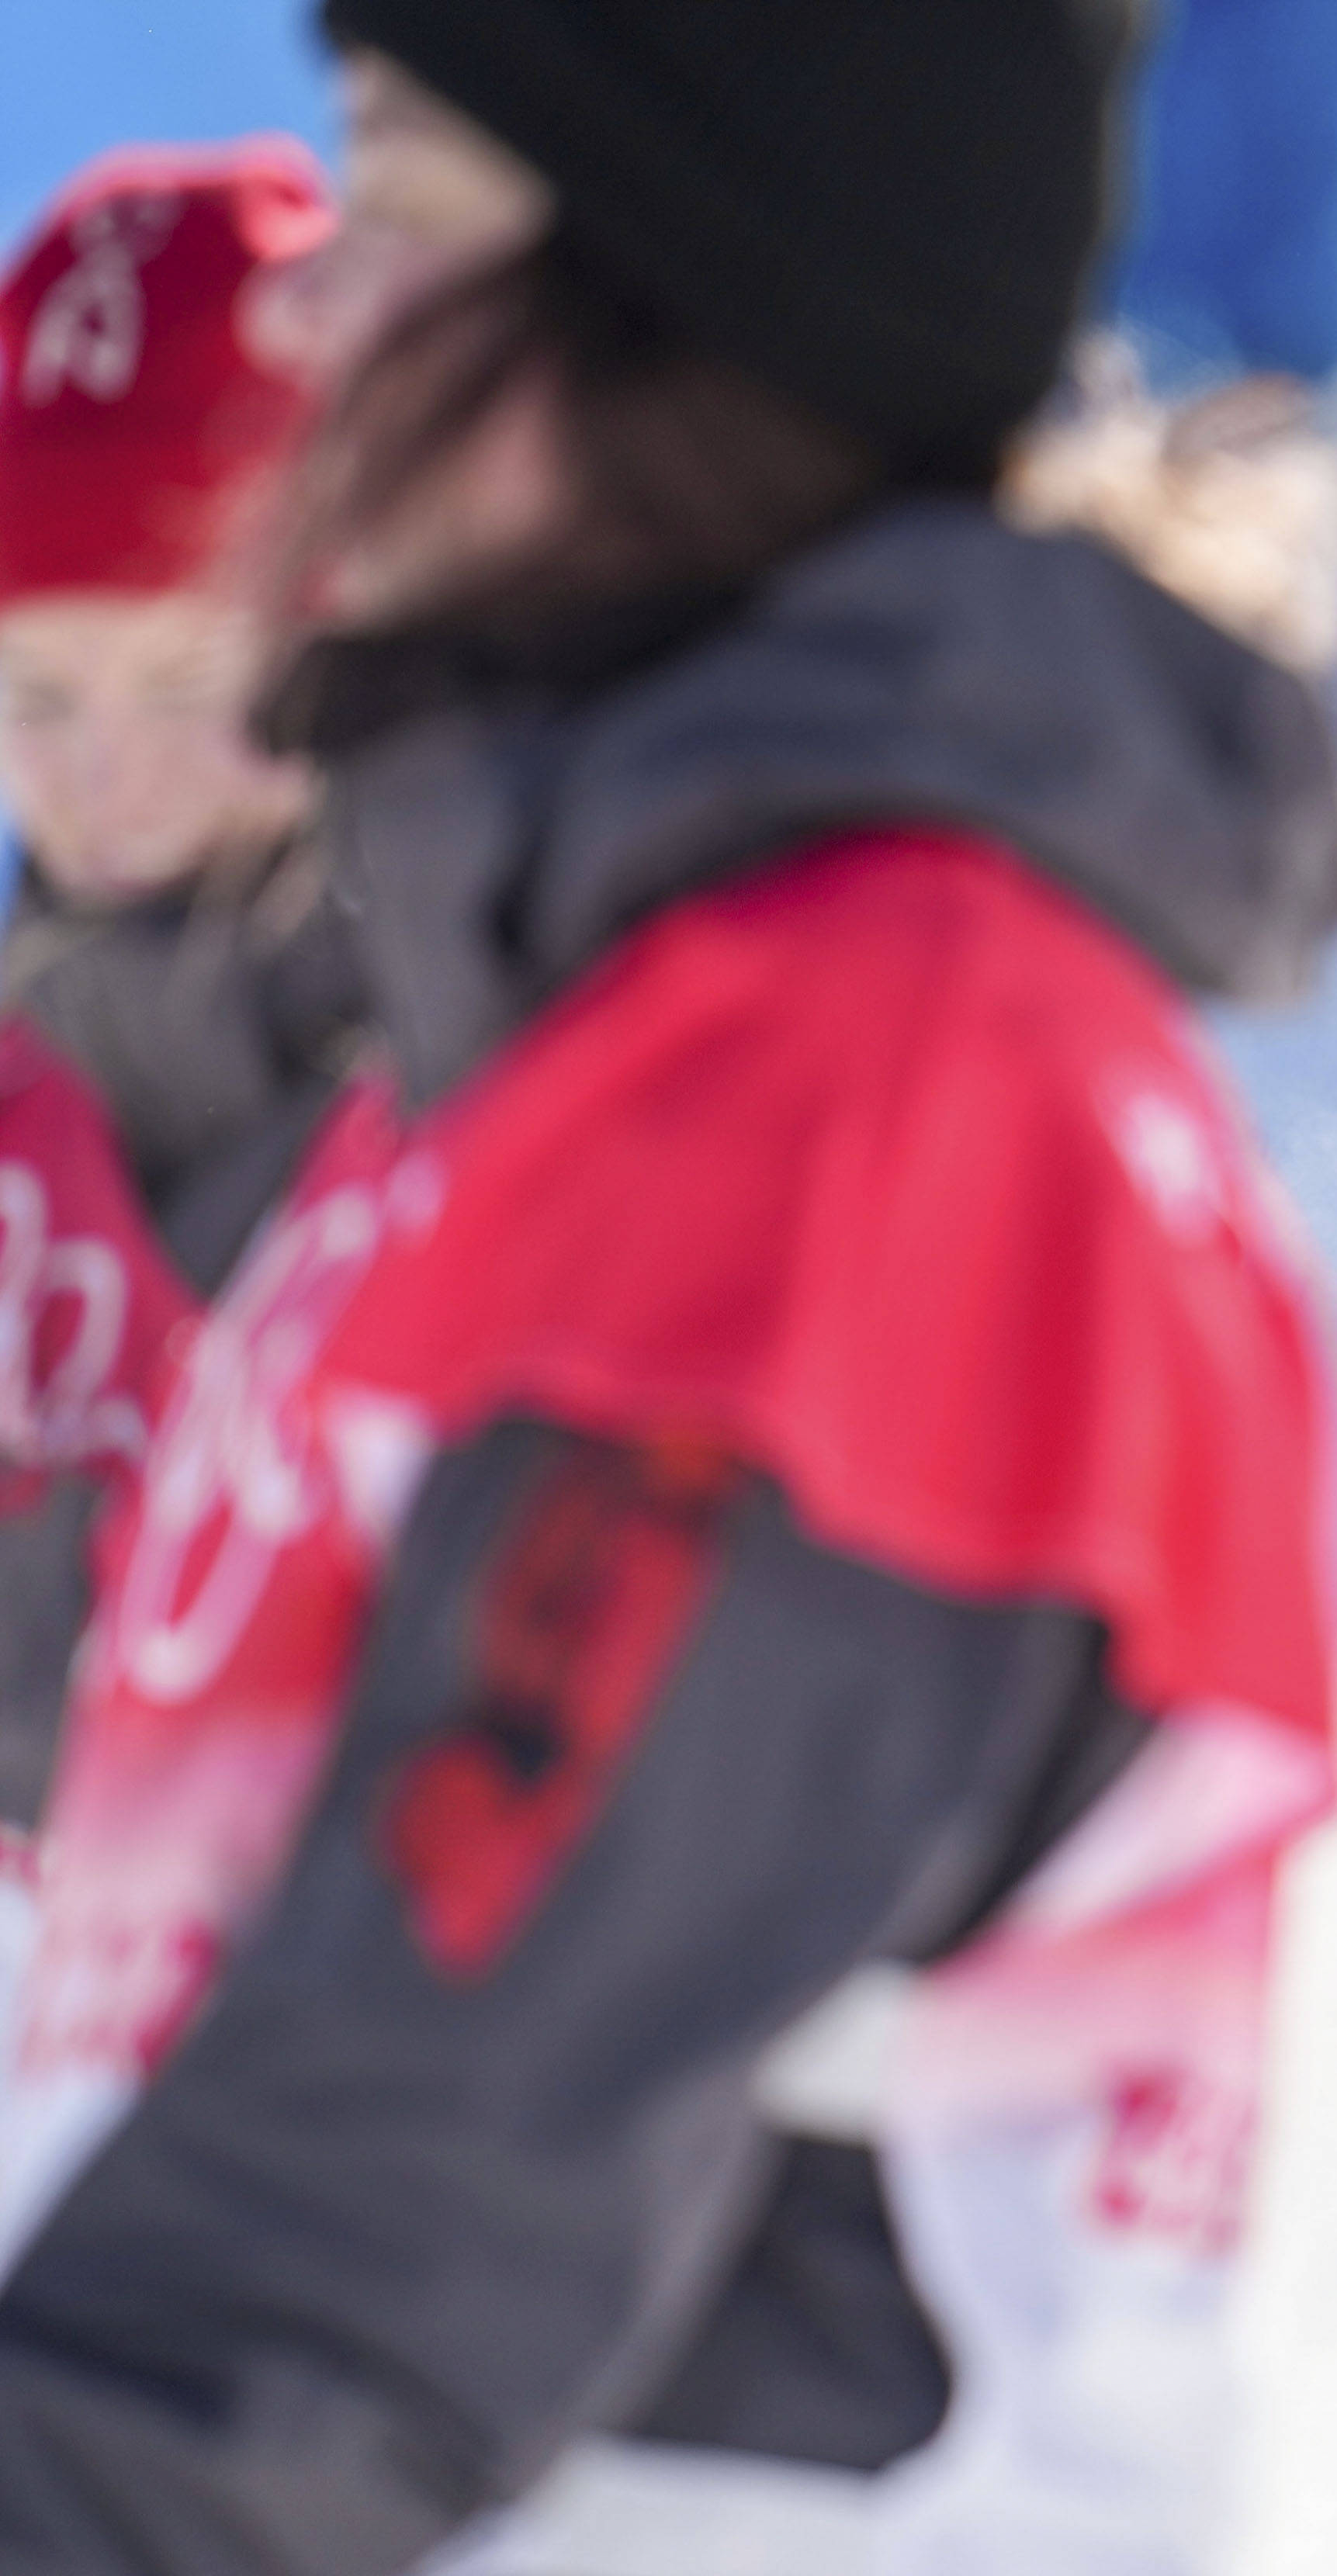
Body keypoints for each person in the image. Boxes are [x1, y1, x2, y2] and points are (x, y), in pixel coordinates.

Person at [0, 5, 1337, 2571]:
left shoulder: (867, 1082)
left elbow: (408, 2189)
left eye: (391, 207)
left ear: (676, 304)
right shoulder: (572, 1061)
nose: (297, 325)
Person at [0, 138, 349, 2108]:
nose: (109, 776)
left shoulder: (457, 1061)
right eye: (36, 694)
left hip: (345, 2120)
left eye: (186, 678)